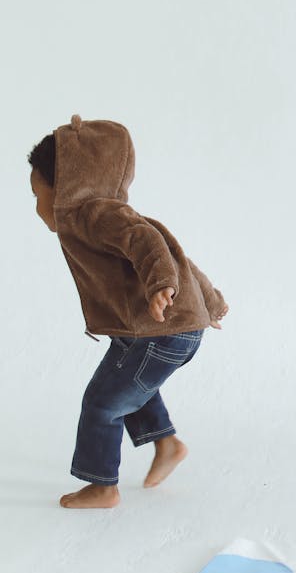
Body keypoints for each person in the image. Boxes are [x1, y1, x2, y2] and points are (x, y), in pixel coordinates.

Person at [28, 115, 228, 510]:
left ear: (65, 187)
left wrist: (160, 287)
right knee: (126, 385)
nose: (37, 208)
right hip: (154, 330)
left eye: (39, 195)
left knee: (102, 402)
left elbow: (152, 244)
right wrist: (211, 303)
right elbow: (178, 254)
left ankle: (103, 486)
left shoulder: (96, 215)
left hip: (161, 330)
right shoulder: (102, 215)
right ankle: (167, 443)